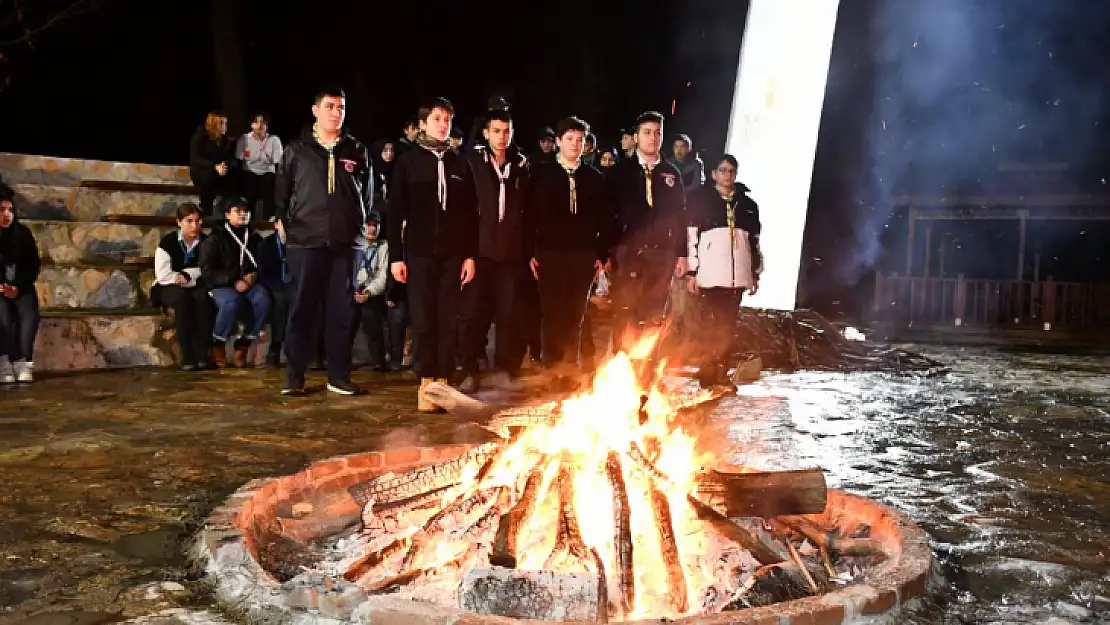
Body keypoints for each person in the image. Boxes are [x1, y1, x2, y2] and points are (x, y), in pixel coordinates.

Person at [274, 85, 372, 396]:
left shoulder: (356, 150)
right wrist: (284, 223)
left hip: (344, 244)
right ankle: (295, 375)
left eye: (341, 107)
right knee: (302, 308)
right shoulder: (297, 149)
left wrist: (359, 226)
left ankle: (338, 376)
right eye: (330, 106)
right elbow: (282, 191)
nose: (336, 113)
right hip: (306, 241)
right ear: (316, 110)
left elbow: (368, 196)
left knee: (341, 311)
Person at [387, 97, 478, 412]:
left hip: (453, 255)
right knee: (424, 319)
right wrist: (396, 257)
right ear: (422, 123)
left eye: (447, 119)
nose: (442, 124)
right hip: (420, 253)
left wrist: (470, 256)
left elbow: (470, 215)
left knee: (448, 318)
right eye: (436, 118)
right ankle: (426, 381)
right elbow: (395, 211)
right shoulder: (408, 162)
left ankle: (444, 378)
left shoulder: (459, 163)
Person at [524, 117, 611, 370]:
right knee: (552, 313)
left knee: (577, 314)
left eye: (580, 140)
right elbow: (529, 216)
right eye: (569, 139)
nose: (575, 144)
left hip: (583, 254)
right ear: (559, 141)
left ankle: (570, 366)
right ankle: (552, 366)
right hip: (549, 253)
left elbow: (603, 219)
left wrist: (601, 254)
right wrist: (529, 252)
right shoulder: (542, 174)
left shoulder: (593, 178)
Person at [458, 108, 530, 391]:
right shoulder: (472, 163)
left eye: (507, 132)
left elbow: (528, 211)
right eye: (496, 131)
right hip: (479, 251)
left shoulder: (521, 165)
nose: (502, 137)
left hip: (510, 253)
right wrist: (467, 252)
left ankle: (503, 368)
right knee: (473, 313)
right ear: (486, 133)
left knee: (508, 313)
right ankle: (468, 368)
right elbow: (463, 211)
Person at [608, 111, 688, 344]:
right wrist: (608, 250)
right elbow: (608, 214)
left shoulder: (671, 173)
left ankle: (648, 374)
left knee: (654, 315)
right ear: (636, 137)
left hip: (662, 253)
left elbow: (680, 215)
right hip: (628, 252)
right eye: (647, 132)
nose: (653, 138)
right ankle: (621, 369)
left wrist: (682, 253)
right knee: (626, 311)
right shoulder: (620, 172)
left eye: (657, 133)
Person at [686, 155, 762, 386]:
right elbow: (691, 237)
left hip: (736, 276)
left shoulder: (748, 205)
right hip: (710, 275)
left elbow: (754, 242)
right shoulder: (701, 201)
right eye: (723, 170)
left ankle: (721, 373)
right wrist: (692, 271)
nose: (727, 175)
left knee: (727, 327)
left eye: (731, 171)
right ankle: (708, 374)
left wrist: (755, 272)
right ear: (714, 174)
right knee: (709, 325)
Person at [199, 199, 270, 367]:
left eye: (246, 210)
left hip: (248, 284)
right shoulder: (215, 239)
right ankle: (218, 343)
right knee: (230, 302)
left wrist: (255, 275)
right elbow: (207, 270)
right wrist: (233, 279)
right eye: (237, 210)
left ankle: (245, 342)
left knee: (263, 299)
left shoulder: (254, 237)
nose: (243, 213)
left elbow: (264, 264)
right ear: (227, 215)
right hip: (222, 284)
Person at [152, 203, 213, 371]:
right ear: (179, 222)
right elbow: (163, 274)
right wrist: (179, 276)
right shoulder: (168, 242)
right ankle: (187, 354)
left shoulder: (207, 241)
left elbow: (207, 268)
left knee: (203, 300)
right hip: (168, 285)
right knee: (182, 299)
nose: (195, 226)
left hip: (196, 285)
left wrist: (187, 275)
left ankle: (203, 354)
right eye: (189, 221)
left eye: (198, 221)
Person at [0, 187, 40, 383]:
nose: (7, 215)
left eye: (10, 210)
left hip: (19, 286)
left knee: (28, 311)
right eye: (1, 210)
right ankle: (4, 361)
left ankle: (23, 360)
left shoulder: (23, 234)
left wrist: (17, 287)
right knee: (3, 313)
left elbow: (33, 266)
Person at [351, 213, 391, 370]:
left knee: (372, 319)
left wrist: (368, 293)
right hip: (353, 290)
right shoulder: (353, 246)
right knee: (346, 320)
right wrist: (353, 290)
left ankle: (378, 360)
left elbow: (383, 276)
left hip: (372, 292)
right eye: (369, 224)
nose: (372, 228)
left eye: (375, 225)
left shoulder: (384, 248)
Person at [257, 218, 291, 368]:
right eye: (285, 224)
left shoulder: (300, 244)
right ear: (277, 225)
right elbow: (263, 273)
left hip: (295, 284)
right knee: (281, 300)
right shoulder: (266, 245)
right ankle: (275, 348)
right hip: (273, 284)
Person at [237, 111, 283, 220]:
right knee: (248, 185)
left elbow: (279, 161)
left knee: (270, 184)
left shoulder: (274, 140)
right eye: (256, 122)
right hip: (249, 172)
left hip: (267, 172)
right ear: (251, 125)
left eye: (262, 122)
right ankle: (248, 218)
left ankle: (268, 218)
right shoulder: (244, 139)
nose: (259, 125)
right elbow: (238, 159)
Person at [189, 112, 238, 216]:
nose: (224, 126)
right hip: (204, 170)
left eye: (225, 123)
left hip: (221, 171)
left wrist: (225, 165)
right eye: (221, 123)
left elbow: (232, 158)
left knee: (234, 175)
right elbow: (196, 159)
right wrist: (214, 166)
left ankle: (228, 208)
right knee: (209, 176)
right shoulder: (200, 138)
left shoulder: (227, 141)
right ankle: (206, 208)